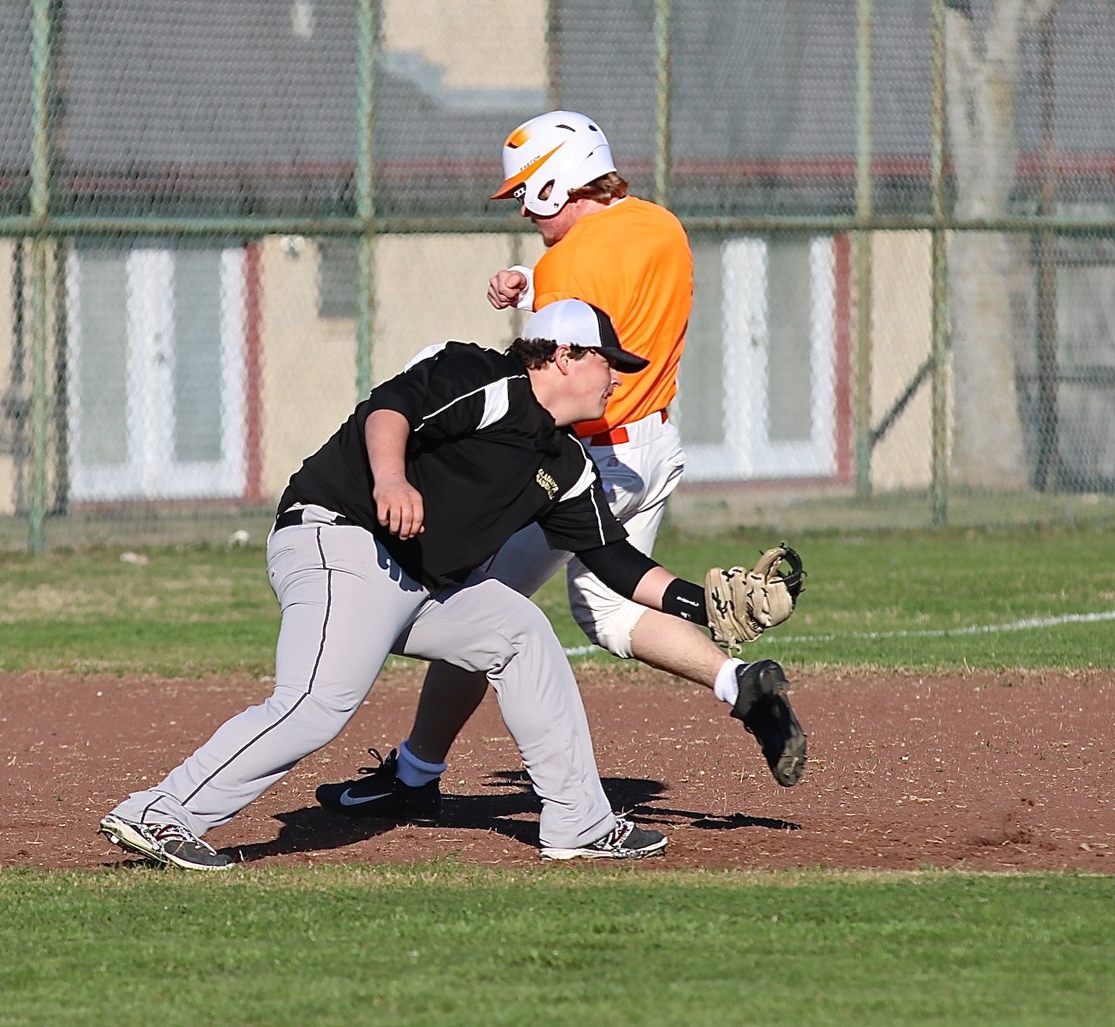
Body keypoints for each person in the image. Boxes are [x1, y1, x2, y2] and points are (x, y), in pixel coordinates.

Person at [98, 300, 796, 870]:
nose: (617, 378)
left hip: (417, 580)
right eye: (609, 362)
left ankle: (580, 823)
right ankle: (159, 812)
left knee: (520, 631)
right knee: (318, 700)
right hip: (341, 537)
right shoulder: (484, 376)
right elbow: (388, 409)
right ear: (563, 355)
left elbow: (613, 559)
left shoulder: (564, 461)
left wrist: (702, 603)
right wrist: (392, 477)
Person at [315, 111, 806, 826]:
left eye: (527, 191)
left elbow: (548, 370)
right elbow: (610, 293)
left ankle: (416, 776)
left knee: (475, 606)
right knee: (606, 609)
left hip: (590, 453)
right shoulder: (662, 225)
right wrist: (534, 283)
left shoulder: (565, 267)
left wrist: (535, 288)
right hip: (655, 444)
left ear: (558, 182)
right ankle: (740, 683)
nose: (522, 204)